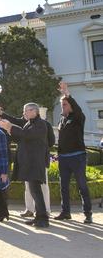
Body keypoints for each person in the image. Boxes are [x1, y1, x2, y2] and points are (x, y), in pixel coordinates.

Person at [0, 99, 53, 219]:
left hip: (37, 161)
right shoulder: (28, 123)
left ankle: (43, 214)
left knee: (40, 189)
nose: (24, 113)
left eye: (26, 111)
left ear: (34, 111)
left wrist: (10, 127)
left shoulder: (42, 124)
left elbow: (30, 136)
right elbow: (21, 136)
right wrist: (8, 126)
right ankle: (35, 213)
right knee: (31, 188)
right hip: (29, 161)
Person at [55, 81, 93, 224]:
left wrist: (67, 94)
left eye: (65, 104)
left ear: (71, 106)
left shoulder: (78, 117)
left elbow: (77, 108)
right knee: (63, 186)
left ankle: (88, 213)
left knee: (82, 185)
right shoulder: (62, 119)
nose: (62, 106)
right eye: (62, 104)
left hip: (77, 157)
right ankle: (66, 212)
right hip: (63, 158)